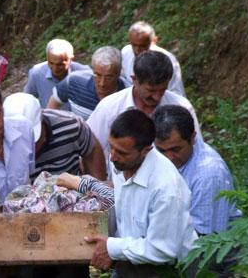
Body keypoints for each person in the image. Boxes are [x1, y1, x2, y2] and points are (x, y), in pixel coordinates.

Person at [83, 110, 197, 276]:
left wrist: (113, 248)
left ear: (145, 150)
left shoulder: (166, 189)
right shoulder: (120, 163)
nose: (113, 157)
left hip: (170, 268)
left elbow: (162, 250)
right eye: (111, 147)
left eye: (121, 152)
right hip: (132, 258)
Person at [87, 50, 202, 166]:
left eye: (162, 90)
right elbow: (90, 149)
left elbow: (197, 150)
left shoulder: (182, 107)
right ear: (134, 80)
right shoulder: (109, 108)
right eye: (151, 90)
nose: (157, 97)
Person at [153, 105, 241, 235]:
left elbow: (202, 238)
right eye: (161, 151)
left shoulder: (209, 175)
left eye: (175, 150)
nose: (168, 157)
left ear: (193, 138)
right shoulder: (152, 152)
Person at [4, 93, 107, 181]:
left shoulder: (70, 125)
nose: (30, 147)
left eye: (33, 140)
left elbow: (92, 149)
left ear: (42, 119)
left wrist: (97, 189)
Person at [47, 46, 129, 120]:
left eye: (109, 77)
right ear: (92, 69)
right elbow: (54, 102)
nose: (102, 83)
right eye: (97, 75)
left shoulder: (129, 94)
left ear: (118, 73)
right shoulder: (74, 81)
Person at [121, 21, 185, 96]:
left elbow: (176, 92)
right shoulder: (126, 53)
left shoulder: (168, 60)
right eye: (134, 45)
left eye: (143, 46)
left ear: (154, 41)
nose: (137, 50)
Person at [24, 39, 90, 109]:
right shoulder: (36, 73)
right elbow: (27, 101)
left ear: (71, 59)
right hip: (48, 118)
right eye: (51, 63)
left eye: (60, 64)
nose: (55, 69)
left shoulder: (84, 74)